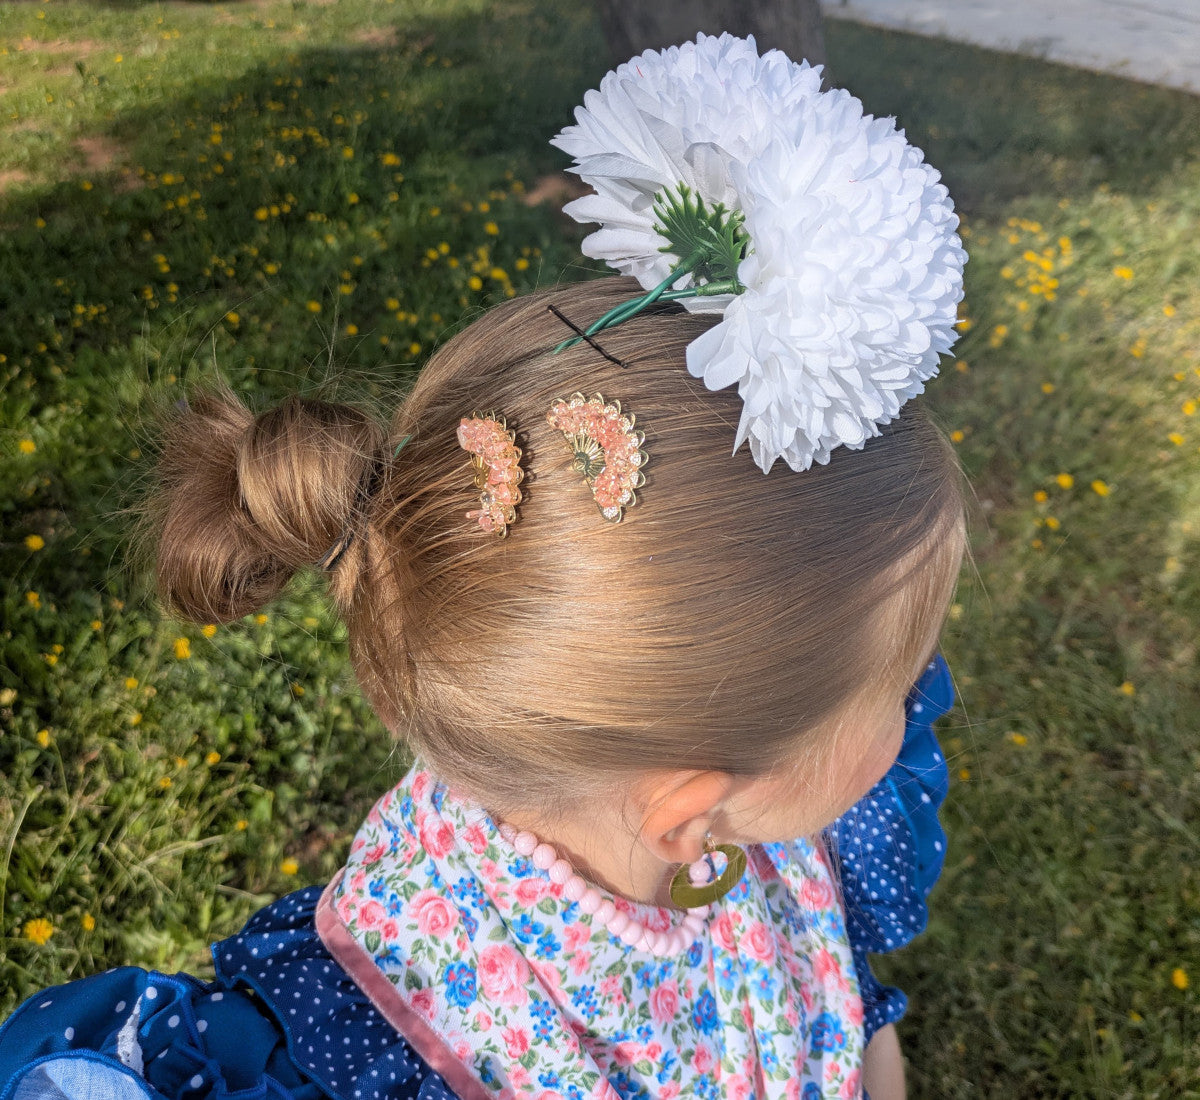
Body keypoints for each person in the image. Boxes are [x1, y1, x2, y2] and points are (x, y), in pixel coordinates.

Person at [0, 34, 966, 1100]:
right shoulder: (401, 1045)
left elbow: (850, 1009)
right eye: (909, 665)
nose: (926, 690)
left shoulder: (717, 801)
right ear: (692, 811)